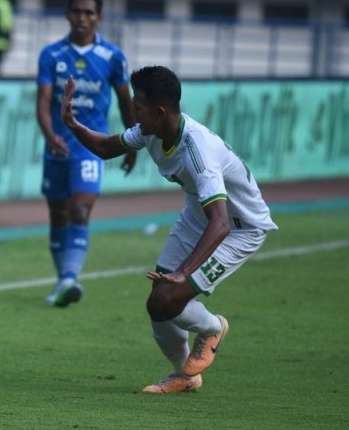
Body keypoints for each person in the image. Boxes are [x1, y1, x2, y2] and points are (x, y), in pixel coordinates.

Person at [60, 65, 278, 393]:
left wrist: (184, 272)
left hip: (239, 228)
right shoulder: (151, 131)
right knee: (157, 304)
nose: (133, 114)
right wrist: (72, 124)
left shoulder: (198, 152)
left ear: (160, 112)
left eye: (137, 108)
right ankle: (185, 376)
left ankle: (214, 327)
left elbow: (220, 223)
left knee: (169, 297)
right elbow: (107, 148)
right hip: (198, 214)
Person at [36, 0, 137, 307]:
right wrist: (51, 134)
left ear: (99, 17)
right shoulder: (51, 55)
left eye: (89, 12)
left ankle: (70, 279)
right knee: (58, 215)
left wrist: (133, 141)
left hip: (92, 147)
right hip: (57, 147)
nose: (82, 18)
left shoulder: (113, 57)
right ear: (68, 14)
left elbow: (126, 102)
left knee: (79, 210)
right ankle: (63, 278)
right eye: (77, 11)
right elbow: (43, 102)